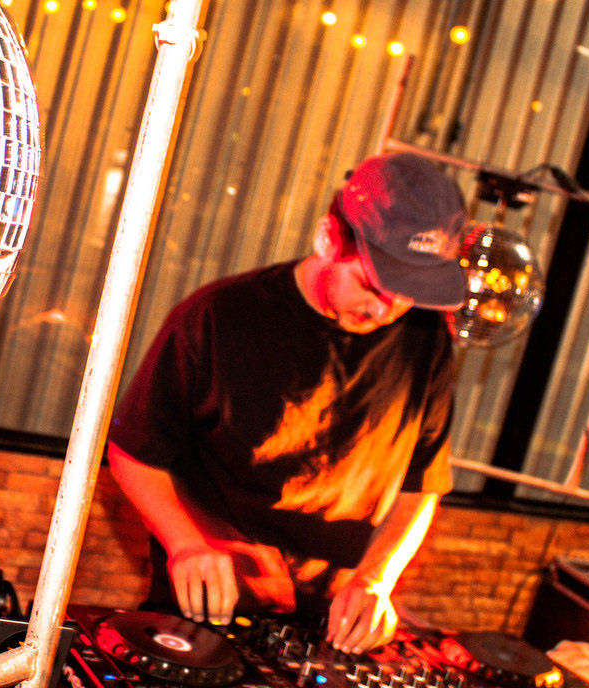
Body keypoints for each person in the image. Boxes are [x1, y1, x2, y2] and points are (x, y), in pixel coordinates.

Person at [106, 152, 468, 655]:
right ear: (328, 238)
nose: (385, 309)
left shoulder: (426, 341)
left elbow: (421, 486)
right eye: (371, 284)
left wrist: (378, 579)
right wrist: (185, 542)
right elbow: (132, 452)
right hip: (208, 610)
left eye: (406, 294)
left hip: (334, 628)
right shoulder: (219, 316)